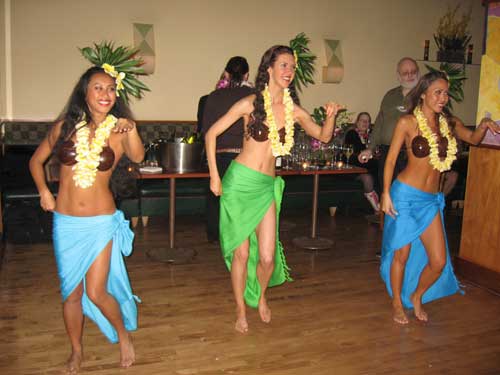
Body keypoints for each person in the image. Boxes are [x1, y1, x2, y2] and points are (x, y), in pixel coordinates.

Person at [205, 45, 342, 333]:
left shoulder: (294, 111)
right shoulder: (250, 104)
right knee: (241, 254)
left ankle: (261, 295)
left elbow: (323, 136)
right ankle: (241, 309)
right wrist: (215, 177)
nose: (289, 71)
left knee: (267, 257)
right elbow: (212, 133)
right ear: (268, 69)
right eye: (283, 65)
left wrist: (331, 115)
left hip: (266, 186)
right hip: (240, 183)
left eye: (292, 67)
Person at [29, 43, 147, 373]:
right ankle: (76, 351)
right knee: (70, 294)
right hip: (66, 223)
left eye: (110, 88)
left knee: (95, 292)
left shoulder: (120, 131)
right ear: (85, 93)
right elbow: (36, 162)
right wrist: (43, 192)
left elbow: (137, 157)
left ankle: (123, 335)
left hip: (99, 223)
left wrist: (132, 128)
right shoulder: (65, 128)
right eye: (98, 87)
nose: (105, 93)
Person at [379, 71, 500, 325]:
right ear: (423, 93)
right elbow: (390, 160)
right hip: (404, 197)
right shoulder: (407, 122)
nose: (443, 98)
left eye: (446, 93)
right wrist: (386, 193)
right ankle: (397, 303)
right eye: (438, 92)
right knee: (402, 254)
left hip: (430, 201)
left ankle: (417, 295)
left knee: (438, 261)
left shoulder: (449, 123)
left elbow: (473, 139)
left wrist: (483, 126)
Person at [201, 56, 254, 243]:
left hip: (220, 155)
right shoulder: (254, 96)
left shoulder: (214, 96)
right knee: (243, 203)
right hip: (246, 156)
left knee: (216, 198)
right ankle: (240, 237)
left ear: (226, 73)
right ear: (247, 74)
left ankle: (216, 236)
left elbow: (206, 131)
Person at [358, 58, 420, 187]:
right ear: (398, 76)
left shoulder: (423, 97)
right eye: (405, 73)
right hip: (387, 151)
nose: (410, 75)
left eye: (413, 72)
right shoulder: (390, 95)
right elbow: (380, 123)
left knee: (405, 192)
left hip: (410, 154)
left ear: (418, 73)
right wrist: (370, 149)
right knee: (386, 190)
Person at [344, 112, 380, 214]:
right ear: (357, 122)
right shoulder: (352, 134)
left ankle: (381, 207)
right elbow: (356, 153)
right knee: (368, 176)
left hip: (370, 167)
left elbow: (377, 151)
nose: (365, 123)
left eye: (368, 121)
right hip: (354, 167)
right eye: (362, 120)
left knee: (379, 172)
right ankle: (377, 209)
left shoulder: (372, 136)